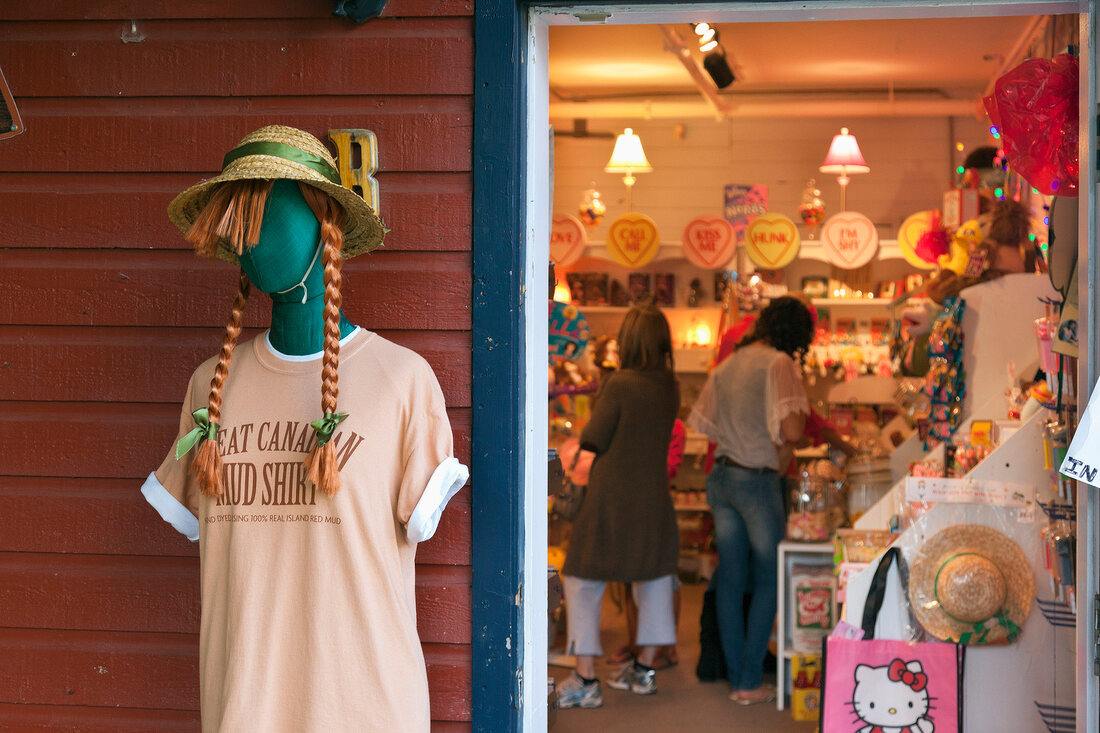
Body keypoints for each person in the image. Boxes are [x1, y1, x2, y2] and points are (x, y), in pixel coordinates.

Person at [139, 126, 469, 732]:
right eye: (242, 219)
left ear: (326, 226)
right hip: (245, 712)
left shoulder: (403, 381)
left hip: (370, 709)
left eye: (272, 215)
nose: (253, 239)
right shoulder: (208, 387)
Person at [687, 295, 813, 705]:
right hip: (756, 480)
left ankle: (739, 675)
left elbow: (706, 423)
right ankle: (748, 680)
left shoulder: (728, 364)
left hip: (721, 476)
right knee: (769, 580)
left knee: (731, 578)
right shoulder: (779, 364)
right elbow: (793, 431)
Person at [556, 302, 681, 709]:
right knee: (654, 578)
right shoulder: (670, 385)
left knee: (582, 578)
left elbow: (593, 438)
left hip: (611, 495)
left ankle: (585, 677)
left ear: (627, 342)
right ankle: (644, 671)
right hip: (653, 496)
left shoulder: (620, 383)